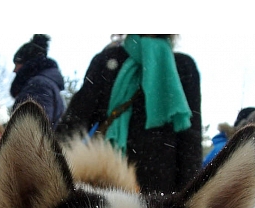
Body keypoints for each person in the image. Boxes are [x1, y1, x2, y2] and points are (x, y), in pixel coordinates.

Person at [56, 34, 202, 195]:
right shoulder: (107, 60)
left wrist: (189, 195)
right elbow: (74, 123)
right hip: (108, 180)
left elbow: (190, 141)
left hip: (160, 194)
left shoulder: (183, 67)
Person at [10, 34, 65, 128]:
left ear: (28, 63)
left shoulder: (38, 85)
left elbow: (32, 129)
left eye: (17, 64)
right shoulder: (47, 83)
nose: (14, 70)